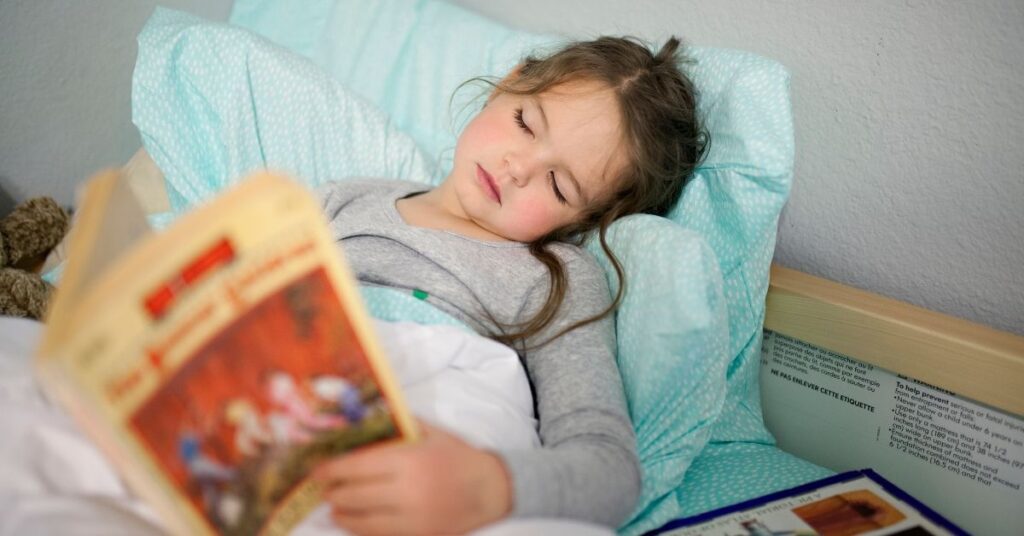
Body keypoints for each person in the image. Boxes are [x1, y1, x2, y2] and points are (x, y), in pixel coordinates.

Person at [312, 35, 707, 535]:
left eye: (558, 185)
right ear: (509, 82)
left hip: (441, 460)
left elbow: (608, 469)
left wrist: (484, 487)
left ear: (587, 218)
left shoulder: (552, 278)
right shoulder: (343, 202)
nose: (518, 169)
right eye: (525, 124)